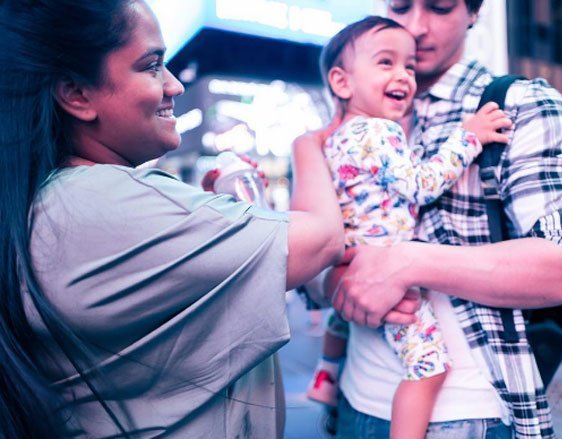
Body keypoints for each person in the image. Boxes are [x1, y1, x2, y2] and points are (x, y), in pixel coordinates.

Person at [0, 1, 344, 437]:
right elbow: (322, 239)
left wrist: (210, 215)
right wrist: (308, 144)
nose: (175, 85)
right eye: (151, 66)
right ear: (76, 94)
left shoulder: (54, 198)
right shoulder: (101, 199)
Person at [302, 1, 562, 437]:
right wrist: (339, 282)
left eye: (440, 7)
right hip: (353, 400)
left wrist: (406, 262)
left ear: (474, 12)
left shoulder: (517, 104)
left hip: (465, 417)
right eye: (400, 5)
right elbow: (312, 261)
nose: (415, 26)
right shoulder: (348, 121)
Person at [302, 16, 512, 439]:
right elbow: (421, 184)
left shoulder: (335, 138)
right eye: (386, 62)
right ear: (342, 82)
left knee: (342, 322)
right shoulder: (380, 131)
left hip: (355, 265)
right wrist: (469, 137)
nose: (403, 75)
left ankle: (326, 378)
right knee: (429, 367)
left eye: (409, 66)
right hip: (389, 277)